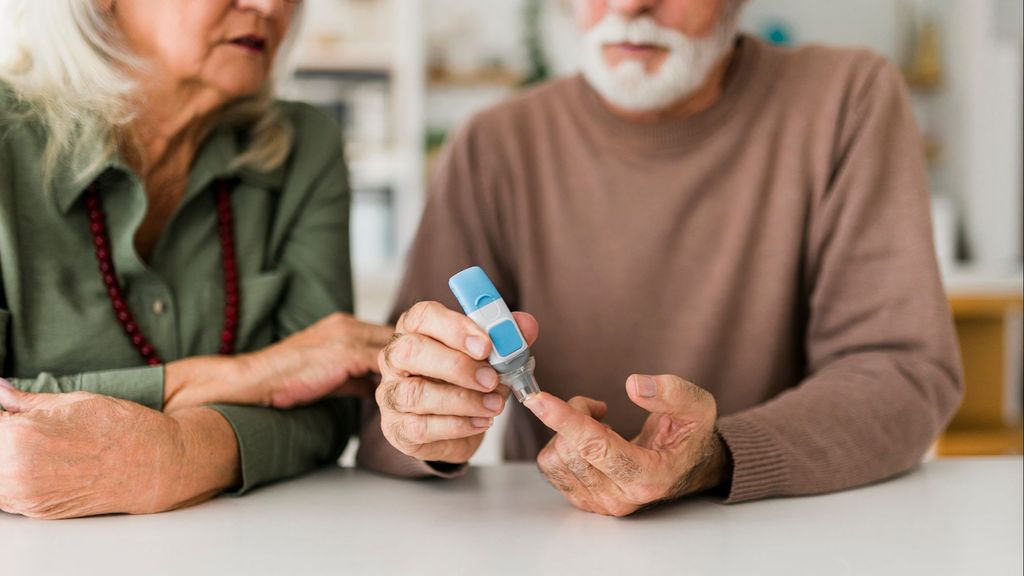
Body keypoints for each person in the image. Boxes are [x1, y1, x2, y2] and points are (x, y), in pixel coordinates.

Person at [359, 0, 964, 516]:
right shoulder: (493, 144)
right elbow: (386, 418)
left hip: (784, 536)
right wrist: (427, 426)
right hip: (556, 544)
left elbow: (902, 374)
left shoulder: (845, 101)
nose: (628, 5)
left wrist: (714, 456)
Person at [0, 0, 392, 519]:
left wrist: (179, 456)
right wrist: (258, 374)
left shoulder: (305, 147)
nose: (271, 7)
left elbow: (330, 405)